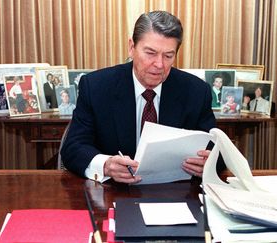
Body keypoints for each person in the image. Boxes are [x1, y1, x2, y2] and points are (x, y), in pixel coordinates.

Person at [61, 11, 223, 184]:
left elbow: (217, 151)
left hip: (174, 194)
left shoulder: (196, 91)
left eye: (168, 56)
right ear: (132, 47)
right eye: (150, 53)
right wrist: (106, 165)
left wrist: (209, 162)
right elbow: (73, 147)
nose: (159, 64)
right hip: (113, 191)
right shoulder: (96, 86)